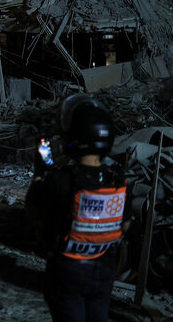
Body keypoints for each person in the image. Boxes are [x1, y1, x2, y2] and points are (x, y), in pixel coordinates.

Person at [37, 94, 128, 322]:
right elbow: (125, 225)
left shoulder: (60, 180)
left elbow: (35, 215)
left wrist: (40, 175)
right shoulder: (118, 180)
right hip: (104, 269)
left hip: (68, 272)